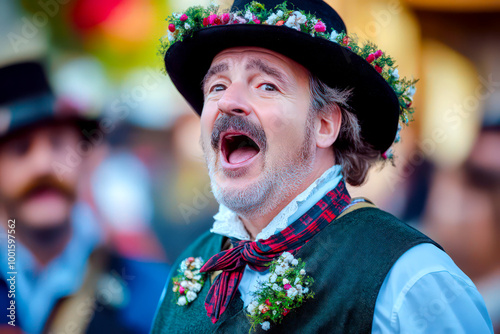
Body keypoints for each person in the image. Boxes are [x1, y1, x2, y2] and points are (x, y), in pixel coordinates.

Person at [151, 0, 493, 332]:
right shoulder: (188, 270)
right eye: (217, 86)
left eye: (266, 85)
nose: (228, 102)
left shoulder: (408, 279)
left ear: (325, 125)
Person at [0, 61, 168, 334]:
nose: (43, 164)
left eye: (57, 144)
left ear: (86, 159)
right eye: (20, 149)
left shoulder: (155, 292)